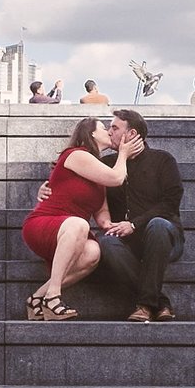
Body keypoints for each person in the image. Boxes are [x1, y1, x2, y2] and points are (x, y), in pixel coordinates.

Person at [19, 114, 138, 320]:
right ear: (91, 133)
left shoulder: (98, 176)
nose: (109, 132)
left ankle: (37, 298)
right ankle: (53, 297)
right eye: (104, 128)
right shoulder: (76, 155)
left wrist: (124, 226)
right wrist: (124, 154)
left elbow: (102, 216)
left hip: (72, 230)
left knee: (93, 252)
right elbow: (117, 177)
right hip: (45, 223)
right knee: (79, 224)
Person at [95, 108, 186, 322]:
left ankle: (144, 305)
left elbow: (171, 202)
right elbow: (77, 181)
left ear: (132, 134)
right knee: (106, 243)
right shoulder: (108, 165)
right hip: (126, 243)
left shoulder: (163, 160)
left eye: (115, 128)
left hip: (165, 238)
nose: (109, 132)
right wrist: (48, 186)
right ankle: (160, 302)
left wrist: (134, 224)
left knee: (158, 224)